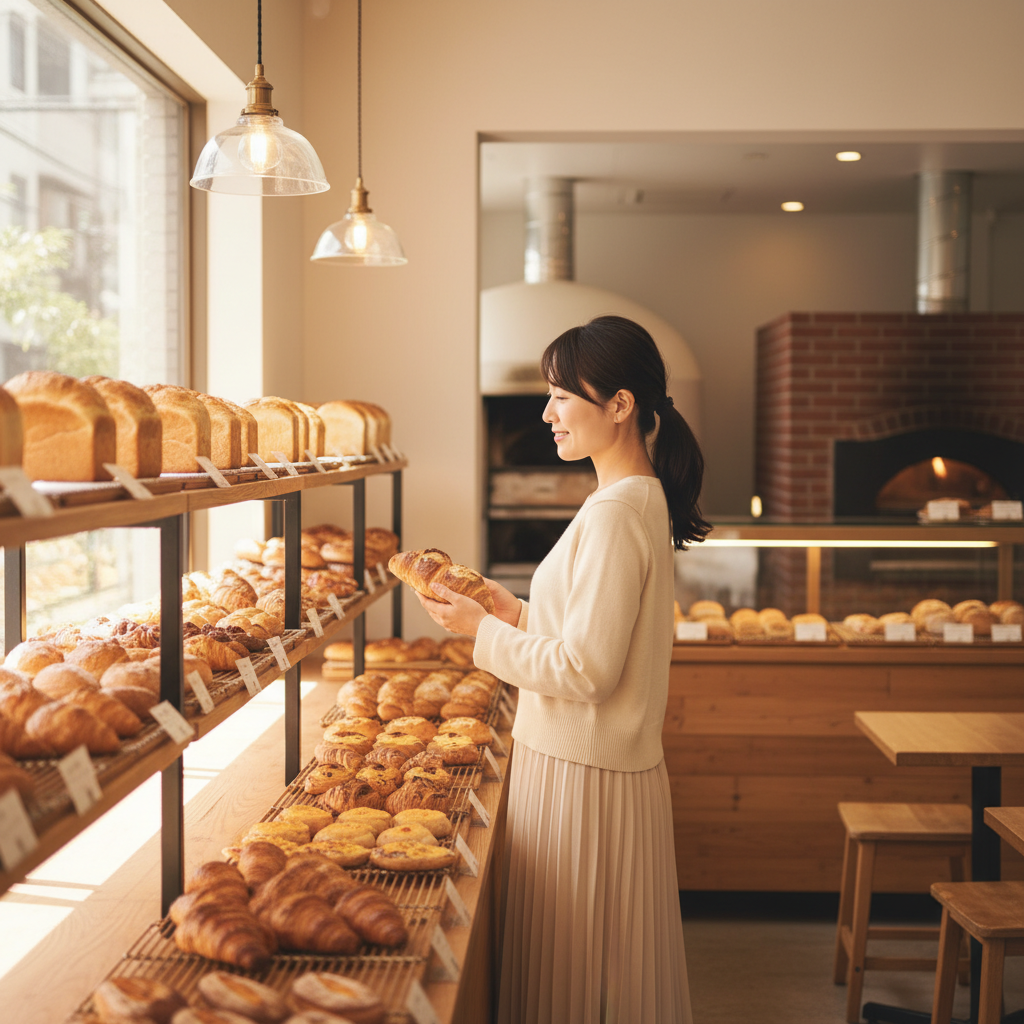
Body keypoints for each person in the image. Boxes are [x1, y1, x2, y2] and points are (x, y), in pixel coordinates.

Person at [415, 314, 709, 1024]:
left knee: (575, 981)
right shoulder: (633, 501)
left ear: (620, 405)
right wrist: (513, 612)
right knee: (600, 972)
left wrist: (478, 630)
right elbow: (592, 638)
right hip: (597, 769)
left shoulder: (615, 512)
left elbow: (587, 670)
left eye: (561, 396)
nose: (546, 414)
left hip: (582, 779)